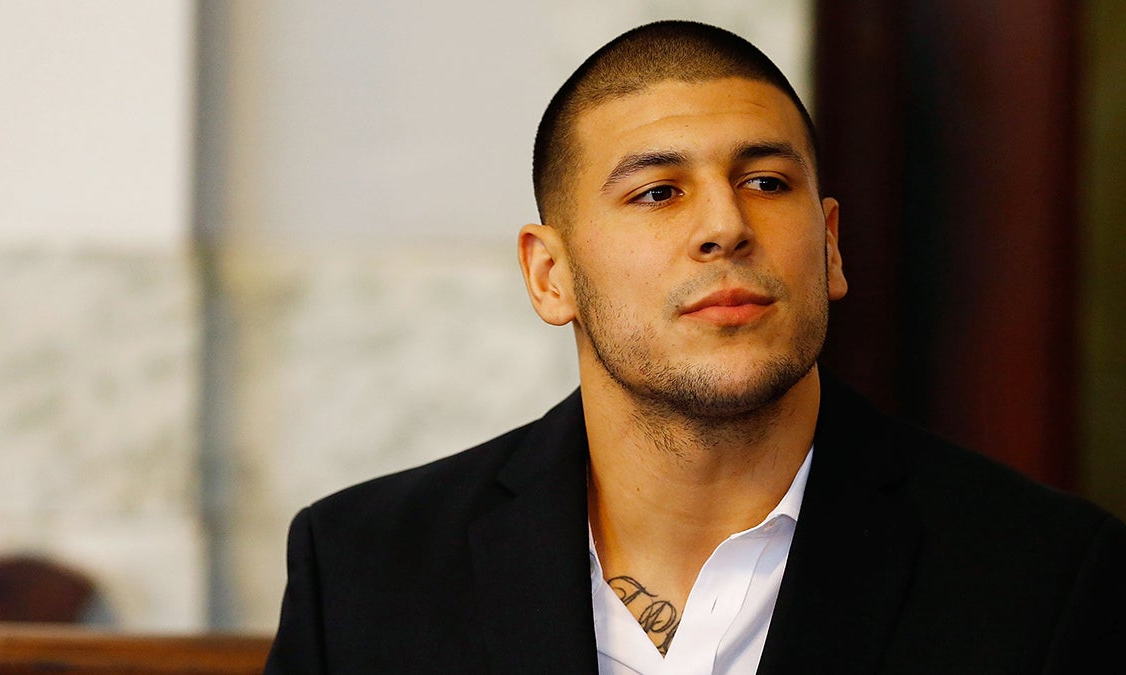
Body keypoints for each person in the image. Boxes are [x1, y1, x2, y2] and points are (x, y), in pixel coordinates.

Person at [265, 20, 1126, 674]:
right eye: (658, 192)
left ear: (830, 247)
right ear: (549, 275)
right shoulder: (363, 569)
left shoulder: (1044, 577)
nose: (725, 225)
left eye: (766, 182)